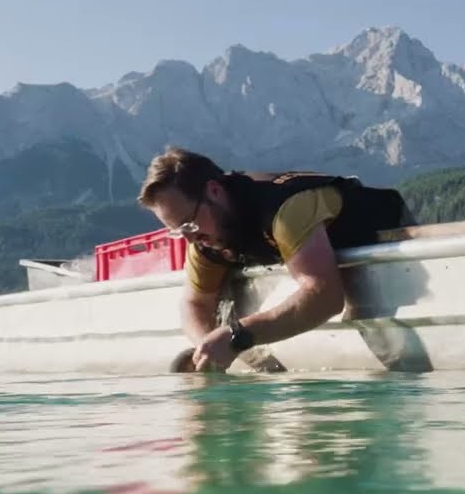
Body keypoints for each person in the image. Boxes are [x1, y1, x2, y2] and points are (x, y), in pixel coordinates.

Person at [137, 146, 415, 372]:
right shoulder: (205, 235)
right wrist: (206, 348)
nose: (189, 239)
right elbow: (194, 302)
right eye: (178, 231)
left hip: (394, 241)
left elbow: (325, 297)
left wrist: (238, 337)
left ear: (214, 191)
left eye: (188, 224)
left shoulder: (285, 209)